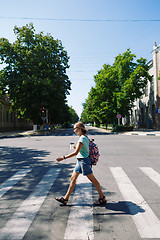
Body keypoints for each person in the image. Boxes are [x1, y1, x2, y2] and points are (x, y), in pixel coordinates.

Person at [55, 121, 106, 206]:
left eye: (75, 128)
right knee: (73, 179)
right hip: (80, 161)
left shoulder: (82, 138)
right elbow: (83, 149)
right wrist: (76, 147)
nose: (74, 130)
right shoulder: (84, 137)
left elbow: (75, 153)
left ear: (79, 129)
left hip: (84, 162)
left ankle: (102, 197)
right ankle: (65, 199)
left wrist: (63, 158)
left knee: (93, 180)